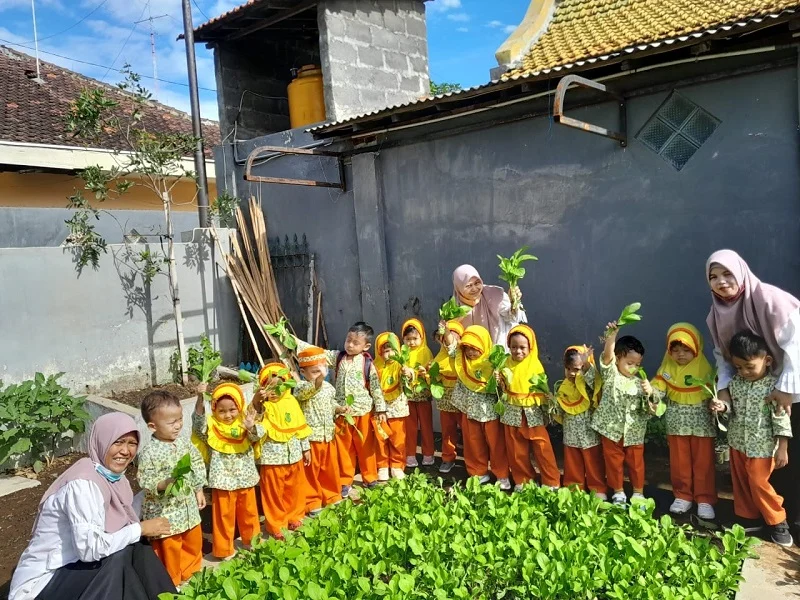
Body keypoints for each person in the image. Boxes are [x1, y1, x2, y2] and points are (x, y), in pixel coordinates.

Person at [10, 412, 175, 600]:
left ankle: (167, 597)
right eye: (118, 442)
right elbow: (89, 549)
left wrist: (153, 493)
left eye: (132, 443)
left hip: (72, 569)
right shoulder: (83, 484)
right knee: (119, 556)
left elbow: (122, 513)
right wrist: (141, 529)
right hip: (42, 584)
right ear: (102, 441)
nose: (125, 451)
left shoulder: (110, 477)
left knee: (135, 545)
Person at [705, 249, 800, 535]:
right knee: (756, 467)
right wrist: (723, 390)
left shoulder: (771, 300)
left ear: (741, 272)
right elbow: (723, 357)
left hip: (788, 382)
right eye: (713, 277)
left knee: (788, 456)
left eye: (727, 274)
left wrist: (786, 387)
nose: (721, 282)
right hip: (750, 389)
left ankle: (789, 519)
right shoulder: (716, 314)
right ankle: (757, 519)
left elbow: (795, 344)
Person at [283, 321, 387, 497]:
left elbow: (376, 388)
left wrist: (381, 409)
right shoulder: (338, 357)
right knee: (344, 448)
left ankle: (370, 477)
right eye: (348, 340)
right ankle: (346, 480)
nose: (350, 345)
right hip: (341, 412)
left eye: (355, 343)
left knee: (365, 446)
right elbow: (317, 351)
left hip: (362, 412)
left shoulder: (367, 364)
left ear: (366, 346)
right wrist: (293, 340)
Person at [711, 332, 793, 545]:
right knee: (741, 482)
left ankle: (778, 520)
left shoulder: (773, 388)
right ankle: (748, 518)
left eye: (749, 367)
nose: (744, 372)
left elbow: (781, 417)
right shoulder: (735, 383)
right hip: (737, 442)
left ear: (767, 361)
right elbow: (731, 409)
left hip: (762, 447)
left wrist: (782, 447)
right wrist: (722, 407)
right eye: (739, 367)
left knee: (758, 483)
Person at [138, 391, 207, 586]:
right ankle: (172, 584)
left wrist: (198, 489)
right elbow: (145, 479)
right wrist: (165, 483)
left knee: (193, 542)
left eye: (180, 419)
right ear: (152, 426)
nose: (178, 425)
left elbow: (197, 463)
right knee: (170, 549)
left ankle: (193, 576)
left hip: (188, 509)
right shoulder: (149, 452)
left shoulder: (184, 443)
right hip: (166, 513)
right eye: (171, 422)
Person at [651, 323, 717, 520]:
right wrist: (650, 394)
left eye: (686, 350)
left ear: (697, 348)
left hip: (702, 426)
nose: (680, 355)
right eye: (676, 350)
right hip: (677, 425)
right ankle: (682, 495)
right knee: (680, 462)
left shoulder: (705, 370)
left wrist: (717, 402)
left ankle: (704, 499)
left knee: (703, 463)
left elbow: (716, 392)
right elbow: (657, 391)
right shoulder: (666, 370)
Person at [592, 324, 661, 504]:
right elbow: (607, 356)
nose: (633, 368)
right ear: (617, 359)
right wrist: (612, 337)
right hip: (611, 430)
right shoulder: (611, 375)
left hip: (634, 432)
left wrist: (651, 393)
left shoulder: (641, 383)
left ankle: (638, 492)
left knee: (636, 463)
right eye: (629, 363)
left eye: (637, 364)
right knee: (613, 462)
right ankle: (618, 491)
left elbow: (653, 409)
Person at [192, 382, 260, 560]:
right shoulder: (211, 426)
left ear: (239, 407)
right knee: (223, 516)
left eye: (232, 409)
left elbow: (256, 437)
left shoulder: (245, 421)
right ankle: (224, 549)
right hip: (222, 481)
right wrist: (200, 397)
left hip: (246, 478)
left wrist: (251, 426)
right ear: (214, 409)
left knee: (250, 513)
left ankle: (251, 542)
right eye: (221, 411)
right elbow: (197, 425)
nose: (227, 415)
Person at [252, 363, 313, 538]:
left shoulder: (292, 401)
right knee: (274, 494)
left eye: (280, 386)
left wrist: (306, 448)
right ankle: (277, 525)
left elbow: (300, 426)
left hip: (293, 455)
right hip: (272, 458)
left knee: (295, 489)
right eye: (270, 386)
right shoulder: (262, 405)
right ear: (263, 388)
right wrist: (257, 400)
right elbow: (253, 428)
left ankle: (295, 517)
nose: (275, 390)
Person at [447, 324, 510, 489]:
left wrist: (499, 378)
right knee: (473, 443)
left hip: (490, 412)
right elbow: (451, 347)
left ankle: (502, 474)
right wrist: (445, 330)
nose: (470, 352)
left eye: (475, 348)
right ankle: (477, 472)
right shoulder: (462, 361)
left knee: (496, 445)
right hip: (470, 411)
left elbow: (504, 386)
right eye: (467, 348)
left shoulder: (493, 362)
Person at [499, 324, 560, 491]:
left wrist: (546, 407)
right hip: (512, 409)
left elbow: (541, 388)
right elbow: (503, 386)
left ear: (530, 347)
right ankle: (523, 480)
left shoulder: (535, 365)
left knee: (542, 447)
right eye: (513, 347)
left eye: (522, 347)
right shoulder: (505, 363)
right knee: (516, 449)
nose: (518, 351)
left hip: (532, 411)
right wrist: (499, 380)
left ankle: (551, 481)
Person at [294, 346, 346, 514]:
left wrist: (339, 409)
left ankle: (332, 496)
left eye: (322, 370)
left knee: (330, 468)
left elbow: (331, 404)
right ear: (303, 372)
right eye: (315, 371)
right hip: (311, 439)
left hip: (328, 436)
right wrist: (318, 381)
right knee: (311, 472)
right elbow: (307, 392)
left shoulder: (329, 388)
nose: (320, 375)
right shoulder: (301, 387)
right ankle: (312, 501)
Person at [555, 346, 606, 499]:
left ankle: (598, 489)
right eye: (568, 368)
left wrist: (587, 364)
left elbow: (595, 381)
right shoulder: (563, 386)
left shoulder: (589, 385)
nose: (572, 373)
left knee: (593, 462)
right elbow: (560, 409)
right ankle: (573, 488)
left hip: (589, 433)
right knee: (572, 463)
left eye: (577, 369)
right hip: (571, 433)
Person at [452, 264, 526, 348]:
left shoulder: (494, 294)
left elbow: (511, 317)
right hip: (472, 353)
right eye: (468, 286)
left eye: (477, 283)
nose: (474, 289)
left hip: (498, 350)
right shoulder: (454, 307)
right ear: (459, 287)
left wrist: (513, 303)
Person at [374, 332, 412, 480]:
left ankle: (397, 465)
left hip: (398, 409)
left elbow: (410, 375)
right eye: (384, 351)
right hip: (380, 410)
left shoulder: (401, 365)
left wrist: (408, 373)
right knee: (381, 438)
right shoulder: (374, 367)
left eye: (391, 350)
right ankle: (383, 465)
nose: (388, 354)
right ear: (379, 352)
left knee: (397, 438)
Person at [432, 320, 465, 473]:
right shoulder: (441, 355)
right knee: (447, 430)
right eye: (446, 336)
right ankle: (448, 457)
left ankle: (472, 461)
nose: (449, 339)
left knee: (468, 431)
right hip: (445, 397)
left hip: (462, 397)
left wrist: (446, 331)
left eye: (454, 335)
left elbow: (452, 346)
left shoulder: (460, 353)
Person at [402, 318, 435, 468]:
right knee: (410, 426)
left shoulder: (425, 351)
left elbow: (430, 371)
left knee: (426, 425)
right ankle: (410, 454)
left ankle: (428, 453)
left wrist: (423, 371)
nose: (411, 342)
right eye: (408, 339)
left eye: (415, 338)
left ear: (422, 337)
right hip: (408, 395)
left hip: (423, 395)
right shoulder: (403, 352)